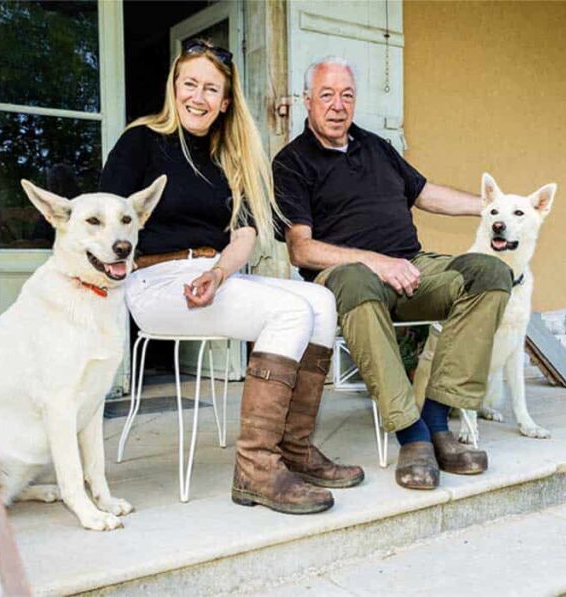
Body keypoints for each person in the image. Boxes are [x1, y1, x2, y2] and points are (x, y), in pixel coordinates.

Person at [100, 40, 364, 514]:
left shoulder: (229, 156)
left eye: (211, 89)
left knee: (319, 301)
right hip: (156, 281)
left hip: (214, 274)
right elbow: (106, 218)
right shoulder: (139, 142)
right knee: (287, 311)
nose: (198, 97)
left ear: (225, 102)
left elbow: (243, 235)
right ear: (174, 88)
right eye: (190, 85)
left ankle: (294, 449)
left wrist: (220, 271)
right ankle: (256, 467)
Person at [273, 56, 512, 491]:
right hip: (349, 279)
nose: (337, 105)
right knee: (356, 278)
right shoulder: (292, 162)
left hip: (411, 268)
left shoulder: (377, 147)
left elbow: (425, 194)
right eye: (326, 95)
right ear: (307, 100)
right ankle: (412, 434)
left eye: (346, 95)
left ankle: (438, 419)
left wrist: (490, 208)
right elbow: (301, 248)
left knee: (489, 273)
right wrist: (375, 262)